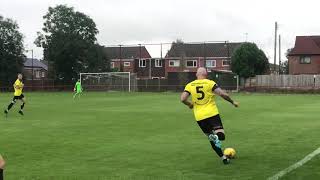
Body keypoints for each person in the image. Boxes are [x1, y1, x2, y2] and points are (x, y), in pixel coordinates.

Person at [180, 67, 239, 164]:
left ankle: (224, 158)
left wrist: (190, 104)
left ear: (196, 74)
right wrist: (232, 102)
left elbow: (182, 99)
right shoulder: (210, 83)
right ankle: (217, 136)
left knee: (211, 138)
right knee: (221, 136)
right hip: (212, 113)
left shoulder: (190, 85)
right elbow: (223, 94)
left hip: (199, 117)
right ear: (206, 74)